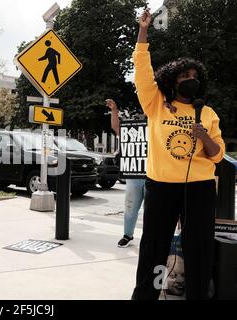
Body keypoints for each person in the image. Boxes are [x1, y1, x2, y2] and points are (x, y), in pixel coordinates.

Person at [131, 9, 225, 300]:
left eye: (195, 76)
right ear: (172, 80)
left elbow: (218, 156)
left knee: (199, 249)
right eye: (185, 76)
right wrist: (143, 31)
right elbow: (142, 71)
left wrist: (204, 137)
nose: (191, 80)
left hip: (200, 188)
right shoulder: (156, 103)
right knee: (154, 248)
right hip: (161, 187)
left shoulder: (207, 113)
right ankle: (145, 296)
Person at [106, 99, 146, 248]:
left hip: (154, 175)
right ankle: (127, 234)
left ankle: (147, 237)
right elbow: (116, 127)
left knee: (150, 211)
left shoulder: (157, 127)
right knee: (130, 207)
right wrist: (114, 110)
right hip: (134, 174)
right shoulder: (132, 129)